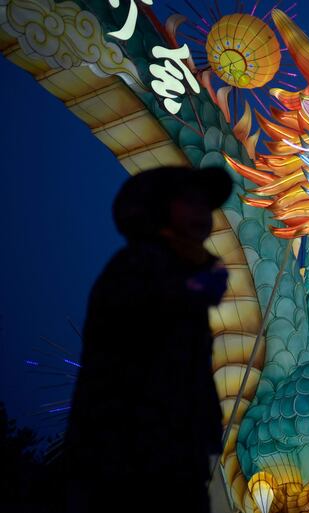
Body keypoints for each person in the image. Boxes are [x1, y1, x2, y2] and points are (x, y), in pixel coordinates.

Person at [62, 166, 233, 513]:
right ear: (162, 208)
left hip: (181, 457)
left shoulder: (187, 275)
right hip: (128, 461)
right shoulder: (138, 267)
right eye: (191, 202)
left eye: (206, 205)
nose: (203, 214)